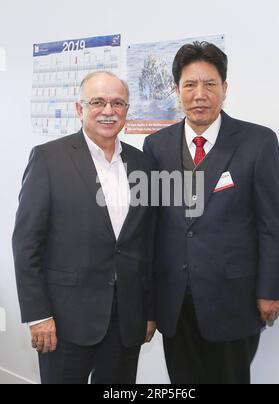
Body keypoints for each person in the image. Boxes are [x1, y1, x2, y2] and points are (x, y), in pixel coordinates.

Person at [143, 42, 279, 384]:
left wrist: (271, 289)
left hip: (233, 298)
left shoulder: (257, 142)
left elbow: (272, 224)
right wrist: (147, 302)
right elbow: (153, 228)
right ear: (177, 90)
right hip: (175, 301)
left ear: (225, 88)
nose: (200, 94)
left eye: (210, 84)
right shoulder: (156, 146)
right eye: (190, 85)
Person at [12, 71, 156, 384]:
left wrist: (148, 311)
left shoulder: (143, 164)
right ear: (80, 109)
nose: (109, 110)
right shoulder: (48, 159)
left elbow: (147, 243)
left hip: (126, 320)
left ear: (126, 111)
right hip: (65, 321)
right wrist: (38, 315)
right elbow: (26, 244)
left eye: (118, 103)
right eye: (98, 102)